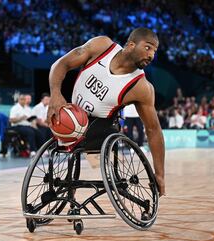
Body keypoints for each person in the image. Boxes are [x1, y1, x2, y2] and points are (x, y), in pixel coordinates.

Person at [47, 28, 165, 196]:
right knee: (62, 120)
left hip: (100, 126)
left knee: (96, 133)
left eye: (154, 51)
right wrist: (56, 94)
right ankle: (65, 185)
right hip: (71, 113)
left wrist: (159, 174)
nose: (151, 55)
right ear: (131, 45)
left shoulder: (142, 87)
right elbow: (61, 64)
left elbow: (154, 130)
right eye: (148, 47)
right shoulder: (101, 46)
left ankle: (77, 178)